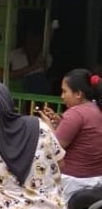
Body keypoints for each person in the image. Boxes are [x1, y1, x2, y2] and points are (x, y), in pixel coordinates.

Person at [39, 69, 102, 200]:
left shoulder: (75, 113)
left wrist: (48, 126)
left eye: (64, 91)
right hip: (96, 178)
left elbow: (56, 146)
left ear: (78, 93)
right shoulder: (95, 108)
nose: (62, 96)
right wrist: (60, 123)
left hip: (74, 181)